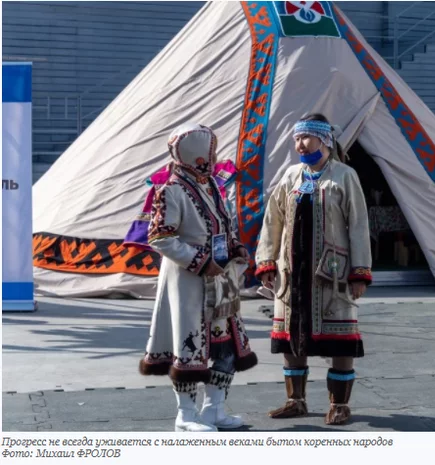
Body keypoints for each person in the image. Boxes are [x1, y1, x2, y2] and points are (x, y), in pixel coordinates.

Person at [138, 123, 257, 432]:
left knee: (227, 347)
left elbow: (222, 226)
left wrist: (236, 247)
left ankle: (213, 409)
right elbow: (159, 238)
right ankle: (186, 415)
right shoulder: (171, 189)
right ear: (198, 153)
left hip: (221, 283)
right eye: (210, 150)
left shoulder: (212, 185)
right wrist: (201, 261)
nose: (215, 155)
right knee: (189, 347)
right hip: (189, 281)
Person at [255, 114, 372, 425]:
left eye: (305, 137)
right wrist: (266, 261)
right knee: (291, 333)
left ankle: (340, 404)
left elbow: (359, 225)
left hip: (331, 272)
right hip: (292, 270)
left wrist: (360, 271)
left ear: (324, 140)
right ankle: (296, 400)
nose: (299, 143)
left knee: (339, 336)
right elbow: (273, 220)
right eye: (296, 138)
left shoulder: (344, 176)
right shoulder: (291, 175)